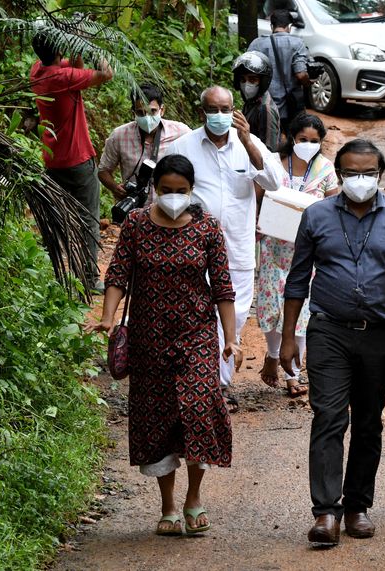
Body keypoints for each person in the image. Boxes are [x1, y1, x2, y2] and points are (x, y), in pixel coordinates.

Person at [281, 139, 385, 547]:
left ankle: (358, 505)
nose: (359, 180)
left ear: (381, 175)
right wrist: (288, 338)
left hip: (381, 334)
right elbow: (297, 280)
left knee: (367, 421)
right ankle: (326, 512)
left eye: (368, 172)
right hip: (328, 329)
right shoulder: (316, 216)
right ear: (339, 173)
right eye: (351, 173)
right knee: (328, 416)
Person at [84, 154, 241, 536]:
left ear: (192, 191)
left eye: (181, 191)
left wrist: (231, 338)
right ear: (154, 190)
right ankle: (168, 505)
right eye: (166, 191)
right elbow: (118, 272)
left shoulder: (207, 228)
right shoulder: (136, 224)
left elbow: (222, 286)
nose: (173, 197)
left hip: (197, 334)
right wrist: (107, 317)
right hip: (148, 336)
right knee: (157, 416)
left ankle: (195, 498)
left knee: (200, 406)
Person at [167, 86, 282, 413]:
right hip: (193, 249)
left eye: (225, 109)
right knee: (195, 313)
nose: (220, 116)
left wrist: (247, 141)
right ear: (202, 110)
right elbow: (164, 191)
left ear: (235, 109)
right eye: (213, 109)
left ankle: (217, 381)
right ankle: (208, 383)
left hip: (238, 250)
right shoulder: (183, 146)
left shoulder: (249, 144)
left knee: (235, 316)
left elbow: (274, 182)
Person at [256, 113, 338, 398]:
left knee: (302, 310)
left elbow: (333, 205)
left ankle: (293, 373)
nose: (308, 144)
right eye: (303, 139)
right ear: (291, 138)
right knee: (271, 305)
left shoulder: (326, 169)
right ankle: (272, 353)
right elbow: (259, 195)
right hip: (273, 246)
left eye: (315, 141)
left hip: (308, 252)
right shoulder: (276, 166)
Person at [30, 32, 114, 291]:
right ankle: (89, 279)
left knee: (55, 217)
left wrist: (75, 51)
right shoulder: (64, 78)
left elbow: (74, 70)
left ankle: (47, 274)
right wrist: (88, 45)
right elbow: (107, 73)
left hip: (53, 159)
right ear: (59, 50)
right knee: (89, 218)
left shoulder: (38, 72)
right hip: (77, 160)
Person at [98, 83, 191, 201]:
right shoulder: (119, 135)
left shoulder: (180, 132)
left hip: (169, 208)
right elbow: (103, 170)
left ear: (162, 110)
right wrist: (115, 187)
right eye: (141, 112)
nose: (147, 118)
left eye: (152, 111)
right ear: (133, 113)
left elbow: (198, 162)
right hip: (134, 210)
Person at [248, 9, 310, 136]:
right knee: (292, 140)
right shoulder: (298, 43)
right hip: (290, 107)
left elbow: (248, 73)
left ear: (271, 26)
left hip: (264, 106)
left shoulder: (257, 44)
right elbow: (301, 74)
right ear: (289, 26)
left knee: (264, 142)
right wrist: (308, 83)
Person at [234, 51, 282, 152]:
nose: (246, 85)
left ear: (263, 82)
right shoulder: (251, 101)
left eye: (252, 80)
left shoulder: (265, 109)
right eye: (243, 80)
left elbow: (268, 152)